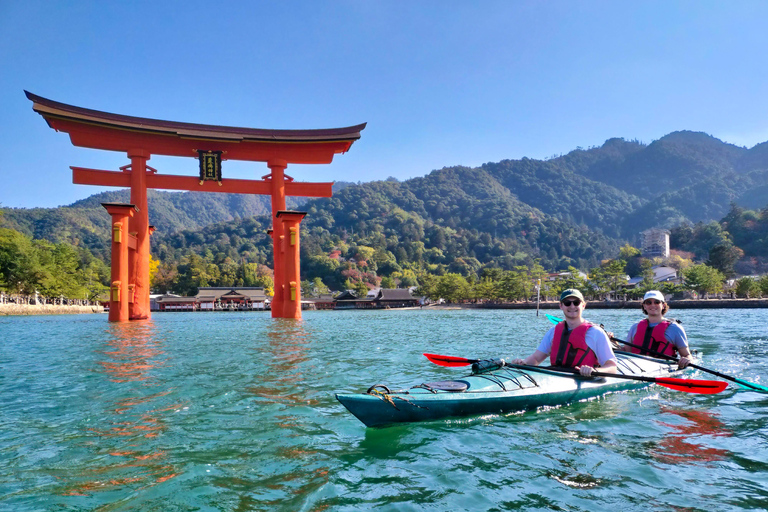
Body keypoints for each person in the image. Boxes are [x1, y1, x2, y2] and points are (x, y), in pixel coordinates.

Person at [512, 289, 617, 376]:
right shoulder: (553, 331)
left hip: (584, 379)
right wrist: (523, 363)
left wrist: (595, 371)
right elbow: (536, 359)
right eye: (567, 303)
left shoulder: (596, 333)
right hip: (557, 377)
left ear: (583, 306)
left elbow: (612, 367)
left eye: (576, 303)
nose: (572, 306)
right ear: (561, 306)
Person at [625, 290, 691, 369]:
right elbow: (626, 351)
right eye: (648, 302)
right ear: (644, 306)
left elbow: (687, 355)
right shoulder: (635, 327)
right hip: (635, 367)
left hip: (663, 369)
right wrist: (613, 342)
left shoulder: (675, 328)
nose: (653, 305)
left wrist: (687, 360)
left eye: (657, 302)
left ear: (663, 305)